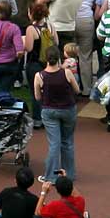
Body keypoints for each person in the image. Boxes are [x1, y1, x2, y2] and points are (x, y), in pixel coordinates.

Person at [34, 46, 80, 183]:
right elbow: (77, 90)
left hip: (49, 111)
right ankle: (69, 175)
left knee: (54, 144)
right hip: (68, 109)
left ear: (46, 59)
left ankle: (51, 176)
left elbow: (37, 97)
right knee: (67, 142)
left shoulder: (39, 75)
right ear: (59, 59)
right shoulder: (66, 73)